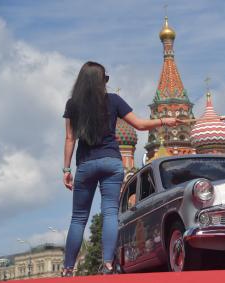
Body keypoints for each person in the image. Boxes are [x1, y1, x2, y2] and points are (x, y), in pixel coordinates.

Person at [62, 61, 183, 276]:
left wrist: (66, 170)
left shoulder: (72, 105)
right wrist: (165, 120)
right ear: (101, 82)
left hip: (86, 164)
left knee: (79, 217)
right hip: (112, 162)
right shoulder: (114, 101)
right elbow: (140, 124)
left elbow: (70, 138)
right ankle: (108, 265)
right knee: (110, 213)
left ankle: (68, 269)